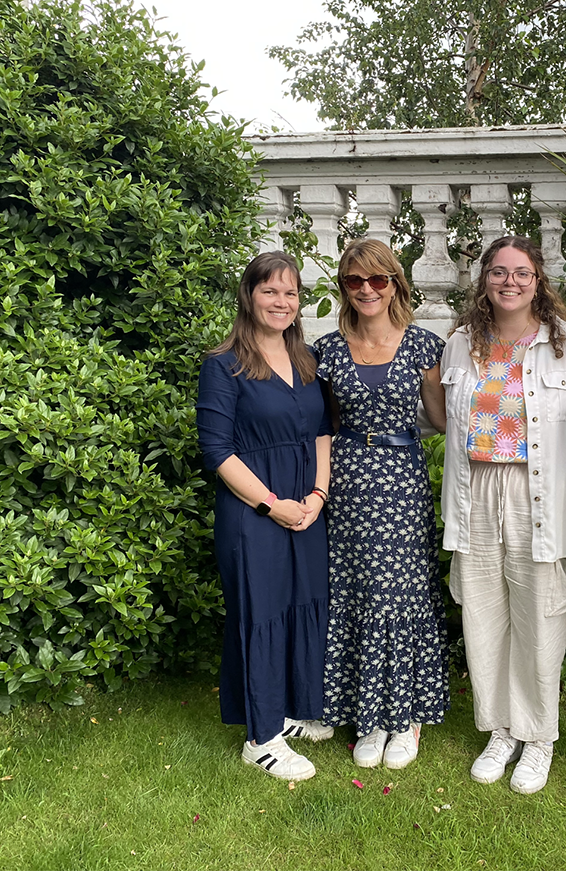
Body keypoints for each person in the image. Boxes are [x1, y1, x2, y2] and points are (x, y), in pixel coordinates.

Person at [440, 235, 566, 794]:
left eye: (521, 273)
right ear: (484, 280)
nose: (509, 282)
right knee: (483, 616)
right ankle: (500, 730)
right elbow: (445, 420)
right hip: (476, 490)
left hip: (541, 497)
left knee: (541, 615)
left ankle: (538, 739)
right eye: (499, 272)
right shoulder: (460, 345)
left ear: (538, 279)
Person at [196, 251, 334, 781]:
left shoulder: (307, 362)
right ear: (249, 296)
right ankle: (261, 737)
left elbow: (322, 432)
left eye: (291, 293)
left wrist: (318, 496)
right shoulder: (224, 364)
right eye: (270, 291)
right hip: (254, 511)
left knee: (303, 604)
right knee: (262, 612)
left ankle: (292, 712)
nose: (282, 302)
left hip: (307, 505)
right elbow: (218, 450)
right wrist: (270, 505)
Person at [314, 238, 449, 770]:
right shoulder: (325, 348)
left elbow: (440, 420)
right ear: (344, 288)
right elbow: (323, 423)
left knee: (399, 591)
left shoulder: (422, 346)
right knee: (354, 588)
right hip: (347, 479)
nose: (367, 290)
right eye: (354, 281)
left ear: (395, 283)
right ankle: (366, 716)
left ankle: (406, 717)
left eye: (378, 280)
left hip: (400, 480)